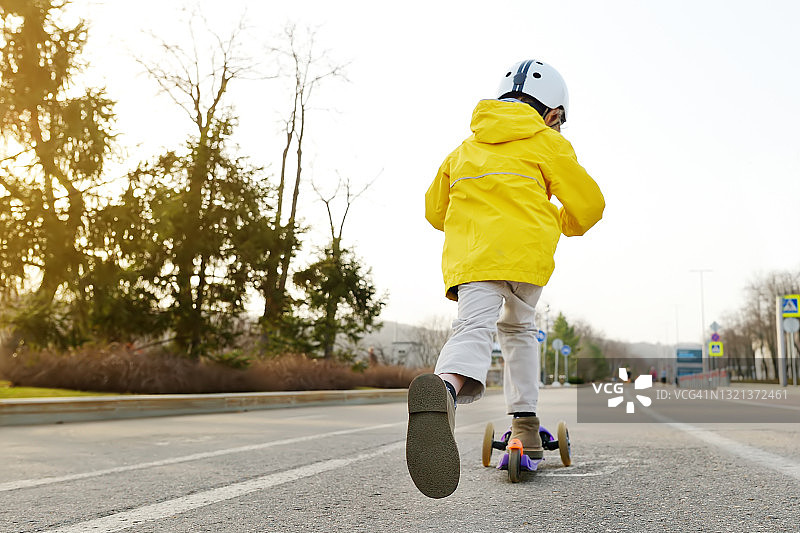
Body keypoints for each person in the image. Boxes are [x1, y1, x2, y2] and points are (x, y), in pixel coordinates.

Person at [405, 59, 605, 498]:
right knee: (517, 331)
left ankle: (445, 389)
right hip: (525, 258)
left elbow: (434, 211)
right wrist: (557, 218)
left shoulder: (464, 149)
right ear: (552, 115)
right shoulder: (547, 144)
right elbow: (588, 207)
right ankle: (526, 425)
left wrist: (476, 223)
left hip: (474, 259)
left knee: (473, 328)